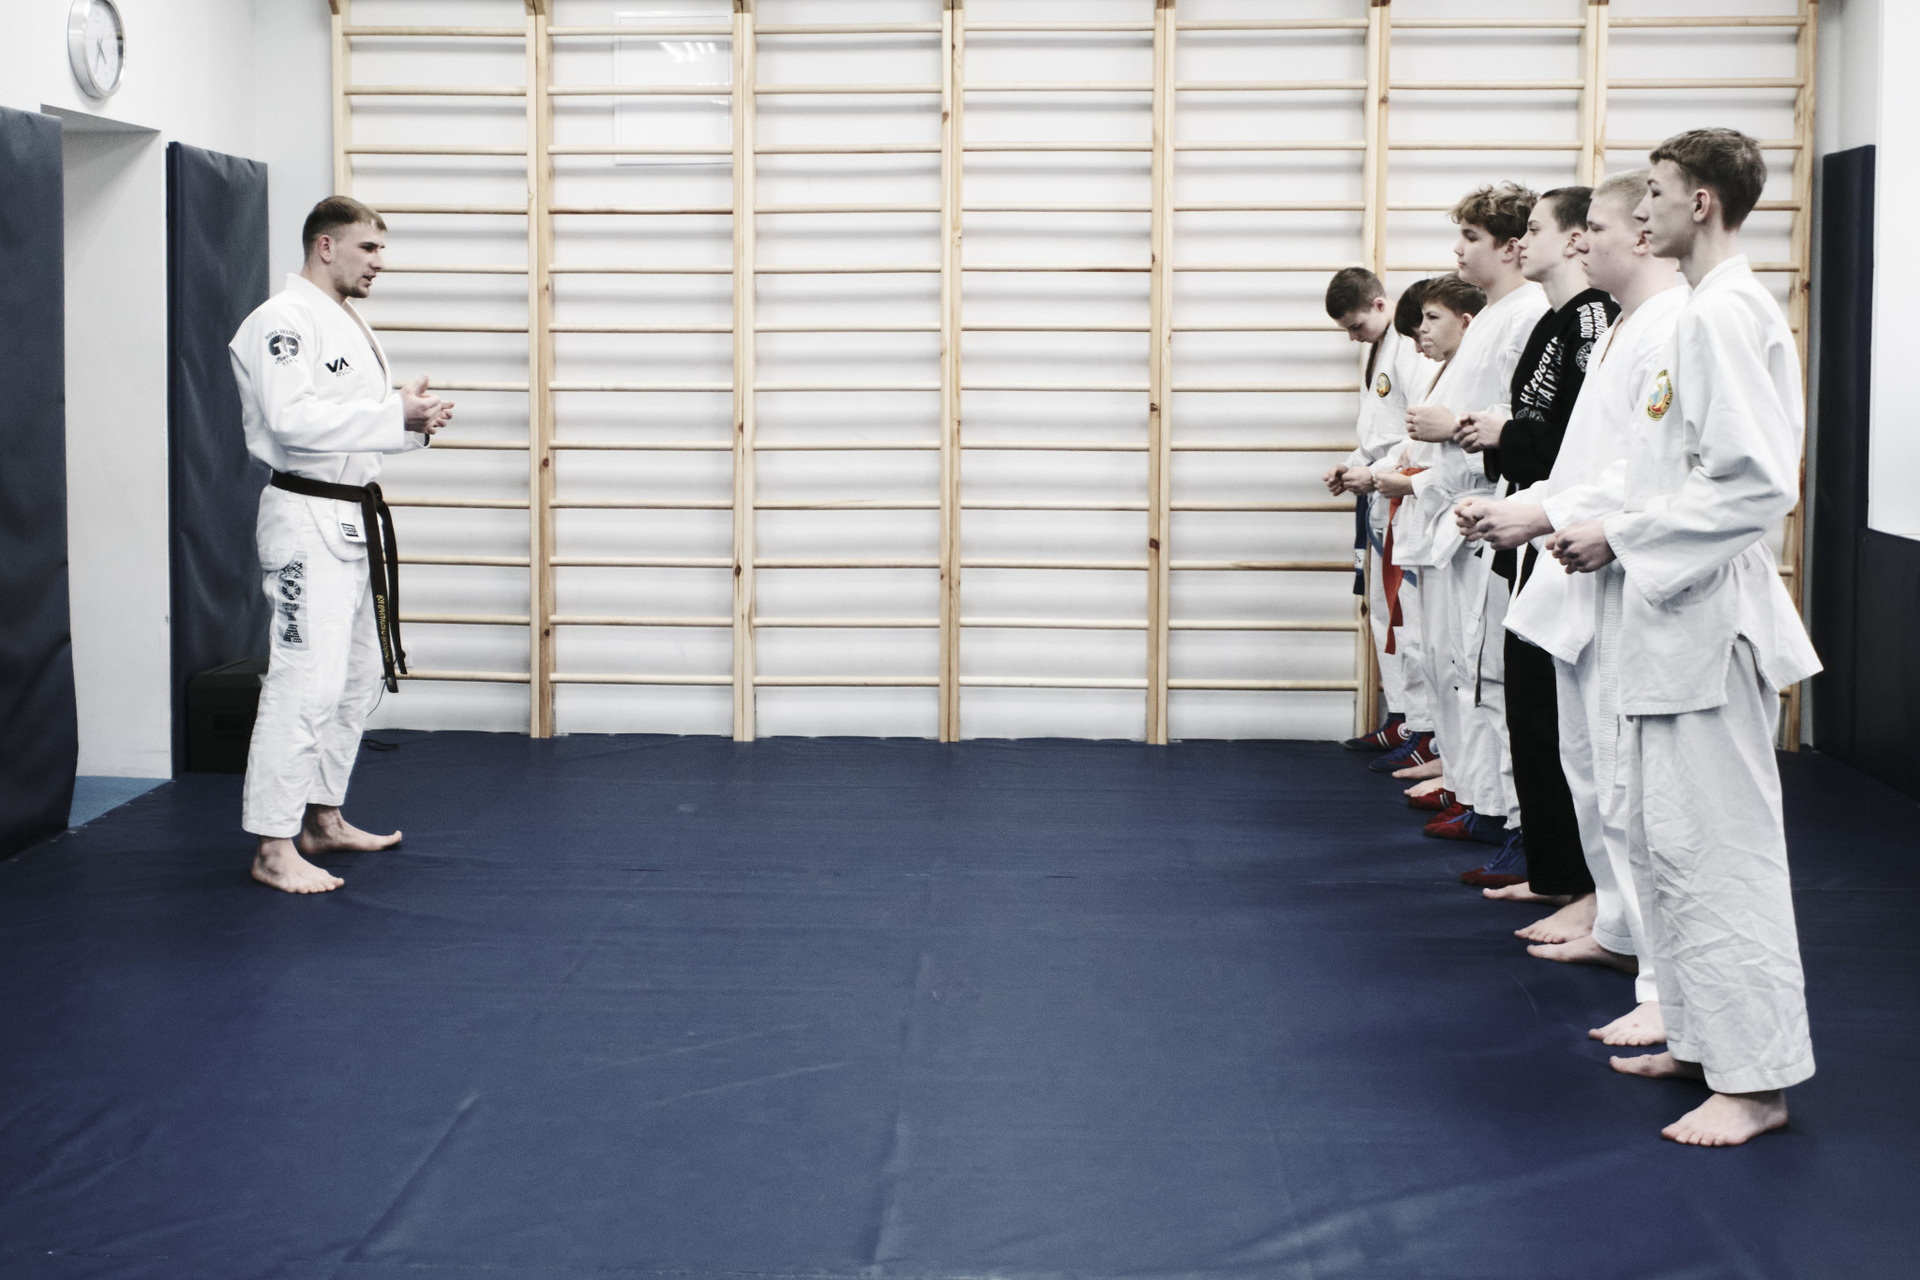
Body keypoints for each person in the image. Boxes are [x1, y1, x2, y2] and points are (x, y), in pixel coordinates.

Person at [1543, 129, 1820, 1145]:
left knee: (1722, 856)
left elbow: (1756, 483)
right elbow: (1680, 473)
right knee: (1670, 847)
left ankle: (1758, 1082)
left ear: (1700, 202)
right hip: (1670, 622)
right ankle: (1704, 1039)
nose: (1641, 209)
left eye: (1655, 192)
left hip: (1707, 623)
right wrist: (1614, 525)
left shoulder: (1725, 313)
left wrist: (1621, 533)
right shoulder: (1703, 312)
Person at [1458, 169, 1687, 1048]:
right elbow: (1594, 459)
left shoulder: (1672, 323)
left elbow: (1669, 473)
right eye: (1579, 226)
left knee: (1636, 791)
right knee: (1591, 768)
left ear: (1645, 233)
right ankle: (1622, 931)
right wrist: (1536, 506)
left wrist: (1556, 512)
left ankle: (1663, 979)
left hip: (1642, 572)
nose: (1583, 239)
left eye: (1596, 225)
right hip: (1586, 554)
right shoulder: (1621, 324)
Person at [228, 196, 454, 894]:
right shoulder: (280, 321)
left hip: (352, 515)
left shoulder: (348, 321)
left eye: (382, 250)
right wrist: (391, 412)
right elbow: (292, 422)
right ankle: (273, 845)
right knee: (304, 681)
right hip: (305, 519)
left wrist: (410, 421)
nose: (379, 263)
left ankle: (322, 818)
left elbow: (353, 430)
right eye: (368, 249)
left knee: (356, 678)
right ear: (325, 246)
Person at [1452, 189, 1617, 890]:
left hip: (1575, 530)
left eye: (1534, 228)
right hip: (1536, 514)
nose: (1522, 240)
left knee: (1560, 719)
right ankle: (1553, 869)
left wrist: (1506, 437)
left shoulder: (1594, 319)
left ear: (1576, 238)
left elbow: (1584, 447)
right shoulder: (1557, 319)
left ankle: (1574, 880)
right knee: (1527, 702)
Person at [1386, 186, 1549, 856]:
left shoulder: (1527, 314)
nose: (1458, 251)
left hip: (1487, 510)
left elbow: (1524, 425)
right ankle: (1474, 790)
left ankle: (1501, 807)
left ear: (1510, 246)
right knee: (1457, 665)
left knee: (1488, 675)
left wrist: (1451, 427)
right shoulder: (1494, 317)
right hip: (1452, 512)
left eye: (1471, 238)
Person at [1372, 274, 1489, 808]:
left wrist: (1413, 483)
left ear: (1467, 322)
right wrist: (1401, 470)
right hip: (1434, 525)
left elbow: (1480, 463)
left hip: (1465, 526)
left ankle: (1472, 788)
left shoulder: (1477, 372)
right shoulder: (1445, 372)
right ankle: (1457, 774)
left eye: (1432, 318)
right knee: (1439, 657)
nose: (1422, 330)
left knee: (1464, 666)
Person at [1321, 269, 1440, 758]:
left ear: (1379, 304)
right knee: (1385, 613)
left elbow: (1415, 433)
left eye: (1356, 326)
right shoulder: (1379, 347)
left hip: (1402, 488)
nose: (1353, 337)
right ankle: (1402, 718)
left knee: (1409, 618)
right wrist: (1353, 465)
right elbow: (1377, 429)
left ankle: (1424, 728)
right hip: (1378, 487)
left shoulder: (1410, 346)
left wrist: (1373, 472)